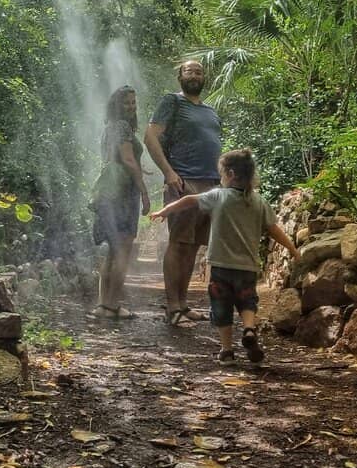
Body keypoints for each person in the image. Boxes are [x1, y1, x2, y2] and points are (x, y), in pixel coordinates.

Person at [150, 149, 299, 365]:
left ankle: (227, 351)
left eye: (221, 174)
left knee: (222, 308)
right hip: (247, 267)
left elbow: (189, 200)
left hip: (221, 267)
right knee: (247, 301)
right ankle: (249, 328)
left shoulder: (218, 196)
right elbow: (274, 229)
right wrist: (293, 249)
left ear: (229, 174)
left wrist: (165, 210)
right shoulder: (259, 202)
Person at [144, 60, 222, 328]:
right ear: (180, 76)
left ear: (204, 77)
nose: (194, 75)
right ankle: (172, 306)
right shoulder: (172, 102)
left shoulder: (211, 111)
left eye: (198, 71)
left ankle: (184, 304)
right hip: (183, 181)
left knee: (193, 246)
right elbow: (150, 137)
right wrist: (168, 173)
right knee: (178, 243)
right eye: (189, 71)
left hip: (211, 184)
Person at [90, 86, 150, 320]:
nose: (131, 107)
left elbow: (119, 159)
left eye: (134, 103)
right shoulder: (123, 127)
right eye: (126, 103)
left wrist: (138, 166)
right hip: (123, 193)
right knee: (123, 249)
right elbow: (127, 159)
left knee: (113, 251)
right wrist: (144, 192)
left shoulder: (109, 128)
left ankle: (103, 304)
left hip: (107, 191)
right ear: (116, 105)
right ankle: (113, 305)